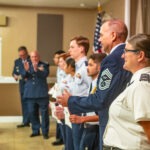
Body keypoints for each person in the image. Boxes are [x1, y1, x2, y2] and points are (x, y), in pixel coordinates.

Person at [57, 19, 132, 150]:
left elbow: (100, 99)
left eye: (102, 35)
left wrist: (70, 101)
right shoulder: (125, 55)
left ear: (113, 35)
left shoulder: (112, 60)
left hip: (112, 123)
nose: (99, 40)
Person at [103, 33, 150, 150]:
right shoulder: (138, 81)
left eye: (126, 51)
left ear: (140, 55)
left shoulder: (141, 85)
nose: (123, 56)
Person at [69, 53, 106, 150]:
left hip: (96, 128)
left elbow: (103, 113)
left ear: (99, 67)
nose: (87, 68)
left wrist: (82, 119)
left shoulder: (101, 86)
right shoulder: (92, 83)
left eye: (90, 65)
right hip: (89, 125)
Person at [22, 51, 50, 139]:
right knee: (32, 113)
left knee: (44, 114)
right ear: (30, 57)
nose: (34, 58)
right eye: (32, 57)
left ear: (39, 56)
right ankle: (35, 130)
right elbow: (23, 76)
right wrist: (26, 70)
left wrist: (36, 69)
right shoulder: (27, 64)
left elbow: (45, 74)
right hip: (30, 94)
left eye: (36, 56)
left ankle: (45, 132)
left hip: (42, 93)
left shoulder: (44, 64)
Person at [12, 46, 30, 128]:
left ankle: (33, 122)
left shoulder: (31, 59)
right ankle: (25, 122)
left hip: (31, 87)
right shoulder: (17, 61)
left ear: (27, 53)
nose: (22, 57)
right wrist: (14, 76)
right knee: (24, 105)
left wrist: (22, 74)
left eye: (23, 55)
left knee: (32, 105)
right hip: (22, 86)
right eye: (20, 55)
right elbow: (14, 72)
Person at [51, 50, 65, 146]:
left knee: (62, 119)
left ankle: (62, 138)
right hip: (58, 95)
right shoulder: (58, 68)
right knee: (58, 118)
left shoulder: (65, 68)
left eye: (57, 58)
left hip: (63, 97)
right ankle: (59, 137)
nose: (55, 59)